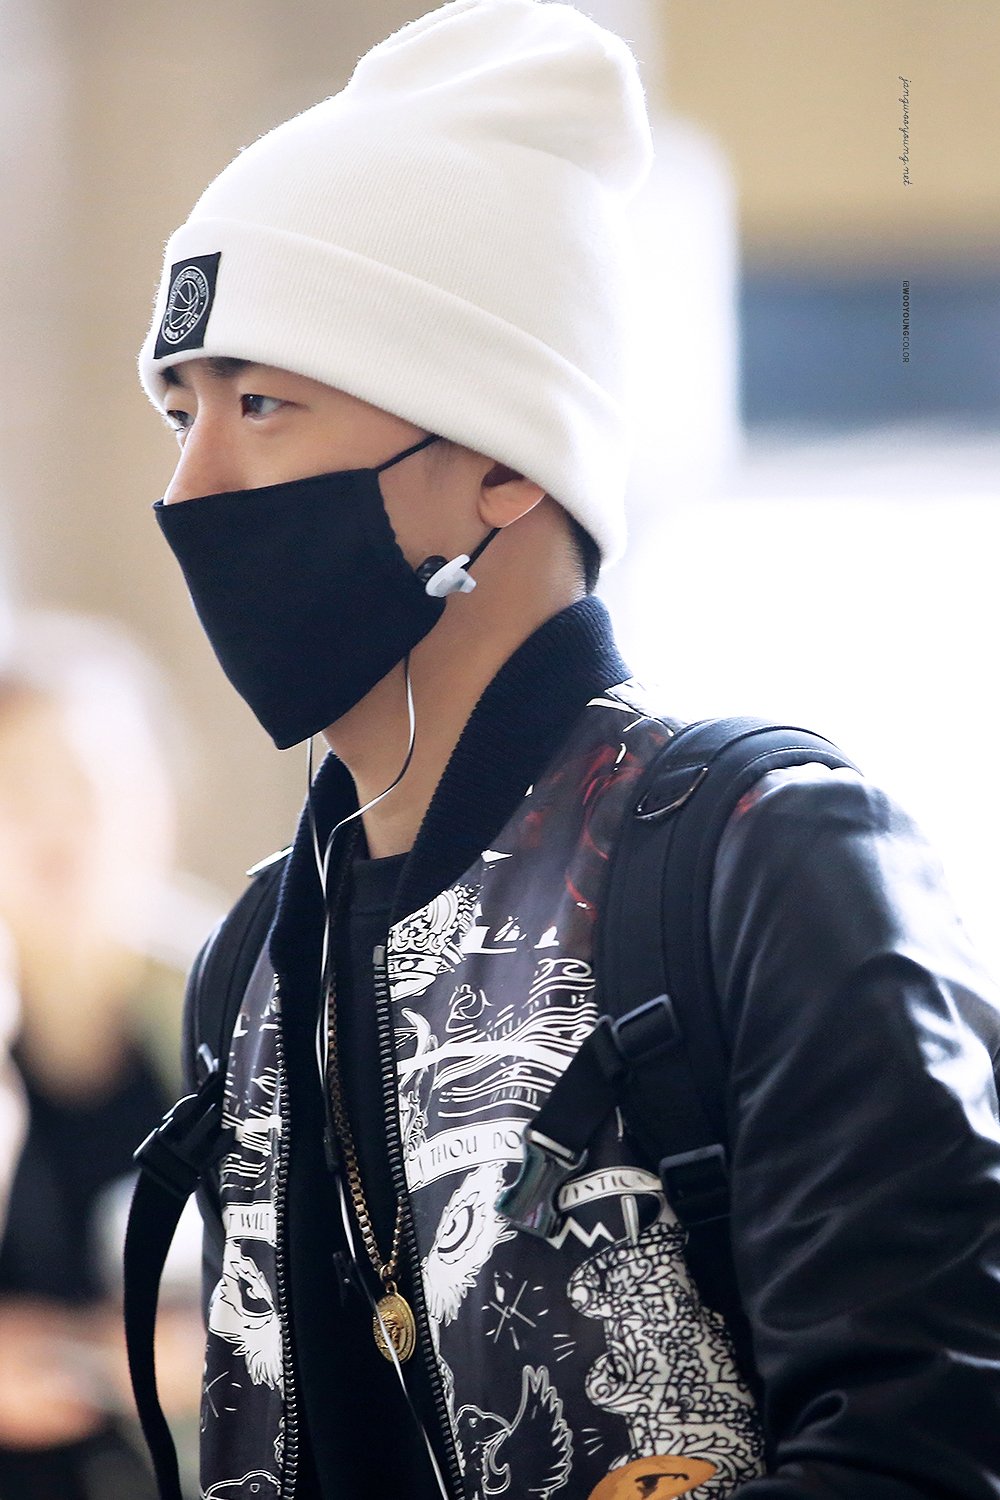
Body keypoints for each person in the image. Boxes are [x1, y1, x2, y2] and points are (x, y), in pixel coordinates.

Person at [135, 3, 1000, 1497]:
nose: (189, 486)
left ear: (501, 464)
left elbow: (931, 1444)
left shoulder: (762, 855)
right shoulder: (257, 960)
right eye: (178, 410)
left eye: (262, 404)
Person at [0, 613, 204, 1499]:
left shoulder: (245, 1006)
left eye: (87, 785)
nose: (59, 829)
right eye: (18, 789)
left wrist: (213, 1347)